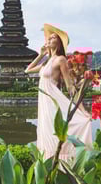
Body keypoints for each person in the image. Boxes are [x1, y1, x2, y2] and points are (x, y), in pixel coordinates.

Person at [25, 24, 93, 163]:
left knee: (56, 133)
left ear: (59, 42)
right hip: (44, 103)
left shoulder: (60, 60)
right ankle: (48, 165)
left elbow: (70, 87)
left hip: (53, 101)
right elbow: (28, 70)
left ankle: (63, 164)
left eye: (53, 37)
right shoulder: (46, 62)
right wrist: (41, 54)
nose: (49, 39)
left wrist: (83, 109)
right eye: (48, 38)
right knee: (46, 132)